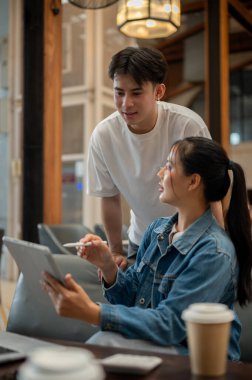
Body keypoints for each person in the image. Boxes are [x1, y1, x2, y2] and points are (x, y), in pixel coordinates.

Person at [42, 137, 252, 361]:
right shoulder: (157, 230)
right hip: (156, 346)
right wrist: (108, 266)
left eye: (170, 166)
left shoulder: (214, 253)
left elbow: (171, 324)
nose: (160, 173)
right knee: (100, 345)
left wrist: (93, 313)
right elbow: (134, 297)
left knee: (101, 345)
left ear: (193, 182)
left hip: (199, 361)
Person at [86, 46, 212, 267]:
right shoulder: (104, 135)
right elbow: (109, 196)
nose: (126, 103)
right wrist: (116, 251)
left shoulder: (187, 125)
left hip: (192, 238)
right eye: (119, 92)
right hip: (142, 240)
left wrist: (220, 239)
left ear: (158, 91)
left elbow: (214, 188)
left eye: (136, 93)